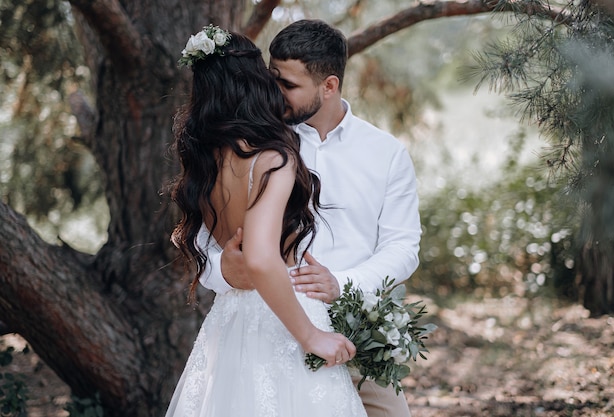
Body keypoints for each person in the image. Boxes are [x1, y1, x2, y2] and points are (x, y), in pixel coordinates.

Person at [198, 20, 422, 417]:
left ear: (329, 86)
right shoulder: (257, 145)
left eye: (288, 85)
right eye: (273, 78)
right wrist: (224, 270)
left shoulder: (386, 153)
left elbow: (403, 247)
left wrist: (343, 284)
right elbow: (204, 238)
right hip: (270, 333)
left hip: (355, 332)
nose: (274, 92)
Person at [165, 26, 367, 417]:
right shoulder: (272, 157)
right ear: (253, 81)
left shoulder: (206, 159)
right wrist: (311, 337)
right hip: (285, 319)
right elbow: (259, 258)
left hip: (230, 321)